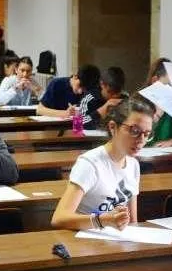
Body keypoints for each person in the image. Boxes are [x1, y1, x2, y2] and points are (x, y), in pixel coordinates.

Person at [49, 96, 154, 232]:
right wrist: (103, 220)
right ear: (113, 127)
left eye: (147, 134)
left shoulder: (133, 165)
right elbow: (59, 218)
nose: (141, 140)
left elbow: (132, 223)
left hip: (115, 238)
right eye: (134, 131)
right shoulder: (90, 163)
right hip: (84, 238)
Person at [36, 64, 104, 128]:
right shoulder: (56, 84)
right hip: (54, 127)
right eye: (80, 85)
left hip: (78, 128)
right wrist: (66, 113)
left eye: (84, 89)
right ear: (75, 76)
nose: (80, 91)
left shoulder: (92, 91)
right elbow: (40, 110)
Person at [147, 58, 172, 148]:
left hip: (170, 154)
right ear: (155, 81)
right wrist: (157, 116)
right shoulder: (139, 102)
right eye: (168, 85)